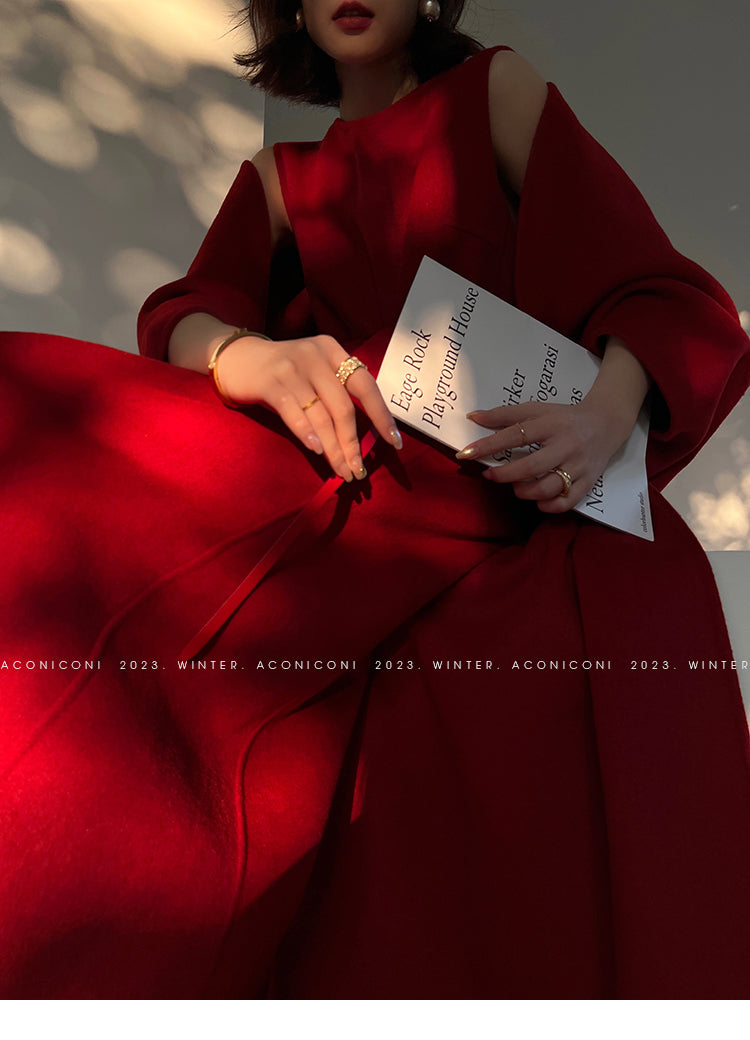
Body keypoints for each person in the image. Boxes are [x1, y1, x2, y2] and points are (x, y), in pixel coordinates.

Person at [0, 0, 749, 999]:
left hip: (517, 499)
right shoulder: (280, 178)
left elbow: (655, 287)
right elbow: (187, 313)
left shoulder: (495, 93)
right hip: (365, 486)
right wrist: (245, 355)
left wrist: (607, 413)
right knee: (38, 416)